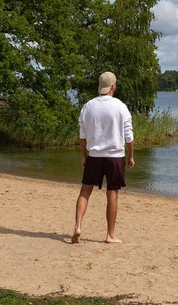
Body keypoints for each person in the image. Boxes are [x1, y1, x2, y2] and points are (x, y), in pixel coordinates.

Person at [72, 71, 135, 243]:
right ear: (113, 86)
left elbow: (82, 136)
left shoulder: (88, 106)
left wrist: (84, 156)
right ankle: (110, 235)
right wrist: (131, 156)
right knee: (112, 193)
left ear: (100, 87)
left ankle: (78, 226)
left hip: (95, 155)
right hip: (115, 157)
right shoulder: (121, 106)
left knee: (85, 191)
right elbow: (128, 135)